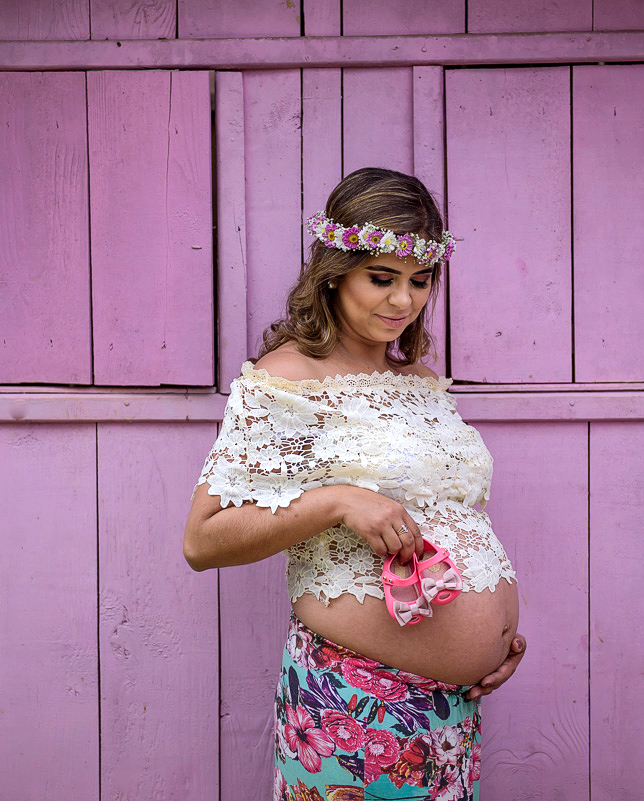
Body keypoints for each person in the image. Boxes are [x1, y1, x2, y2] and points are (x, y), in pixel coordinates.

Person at [184, 167, 525, 799]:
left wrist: (494, 635)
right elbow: (203, 541)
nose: (403, 301)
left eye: (420, 282)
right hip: (357, 701)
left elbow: (454, 519)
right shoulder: (290, 378)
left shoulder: (422, 383)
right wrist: (337, 502)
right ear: (335, 270)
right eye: (382, 278)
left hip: (451, 709)